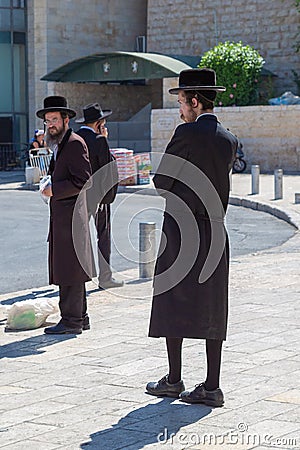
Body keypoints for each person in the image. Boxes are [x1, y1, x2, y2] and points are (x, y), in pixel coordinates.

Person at [146, 69, 237, 407]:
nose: (180, 110)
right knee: (213, 305)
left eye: (182, 102)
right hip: (215, 230)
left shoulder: (186, 133)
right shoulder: (229, 138)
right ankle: (212, 386)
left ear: (195, 101)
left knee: (173, 300)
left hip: (182, 230)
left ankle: (173, 379)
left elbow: (161, 182)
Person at [37, 95, 93, 334]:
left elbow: (84, 180)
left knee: (70, 270)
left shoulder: (74, 143)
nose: (50, 124)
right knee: (70, 269)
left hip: (71, 220)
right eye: (47, 121)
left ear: (66, 119)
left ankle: (72, 321)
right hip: (63, 219)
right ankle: (81, 317)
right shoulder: (61, 143)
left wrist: (54, 190)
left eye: (54, 120)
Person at [76, 103, 123, 289]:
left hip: (79, 197)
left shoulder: (74, 138)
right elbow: (108, 169)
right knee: (103, 236)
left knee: (80, 236)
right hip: (99, 197)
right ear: (99, 123)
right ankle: (105, 278)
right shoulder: (99, 140)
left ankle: (79, 277)